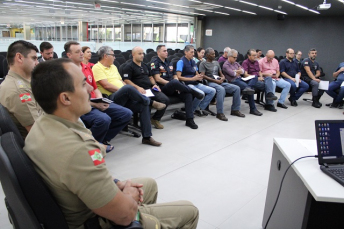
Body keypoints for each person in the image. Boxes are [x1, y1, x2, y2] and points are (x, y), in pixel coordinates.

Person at [25, 58, 199, 229]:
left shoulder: (45, 123)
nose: (90, 89)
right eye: (83, 84)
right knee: (189, 211)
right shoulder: (78, 150)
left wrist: (117, 184)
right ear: (65, 98)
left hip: (78, 202)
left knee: (149, 184)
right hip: (94, 221)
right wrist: (129, 198)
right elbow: (124, 216)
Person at [65, 41, 132, 151]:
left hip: (95, 101)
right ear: (69, 55)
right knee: (103, 119)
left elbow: (95, 88)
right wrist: (94, 104)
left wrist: (100, 99)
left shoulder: (87, 68)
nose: (81, 54)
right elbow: (73, 97)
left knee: (126, 113)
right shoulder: (66, 72)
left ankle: (101, 140)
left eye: (81, 51)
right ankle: (92, 147)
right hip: (82, 105)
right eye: (78, 52)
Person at [92, 46, 163, 146]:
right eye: (113, 55)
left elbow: (121, 82)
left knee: (143, 105)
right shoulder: (97, 67)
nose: (115, 58)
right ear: (105, 56)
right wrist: (125, 90)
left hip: (125, 96)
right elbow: (106, 85)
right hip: (110, 98)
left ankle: (147, 137)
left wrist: (127, 91)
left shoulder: (113, 66)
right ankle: (150, 101)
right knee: (129, 88)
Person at [0, 40, 42, 138]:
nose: (37, 63)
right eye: (34, 58)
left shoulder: (24, 82)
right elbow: (37, 131)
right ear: (19, 57)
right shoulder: (19, 91)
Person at [152, 45, 200, 129]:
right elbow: (157, 79)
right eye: (164, 51)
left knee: (187, 95)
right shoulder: (155, 62)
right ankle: (192, 91)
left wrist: (177, 84)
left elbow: (175, 75)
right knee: (175, 83)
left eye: (166, 50)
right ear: (158, 52)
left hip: (173, 87)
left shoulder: (169, 62)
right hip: (162, 88)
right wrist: (173, 84)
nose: (166, 52)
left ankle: (189, 120)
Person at [122, 46, 169, 129]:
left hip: (149, 89)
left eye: (143, 53)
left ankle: (155, 119)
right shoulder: (128, 66)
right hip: (138, 91)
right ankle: (144, 124)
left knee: (165, 100)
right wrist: (138, 88)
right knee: (146, 103)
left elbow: (150, 77)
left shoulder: (145, 65)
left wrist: (154, 84)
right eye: (139, 54)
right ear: (133, 55)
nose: (142, 55)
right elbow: (126, 80)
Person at [199, 47, 247, 121]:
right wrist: (215, 81)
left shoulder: (216, 62)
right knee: (221, 89)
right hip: (210, 83)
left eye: (214, 54)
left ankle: (235, 110)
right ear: (207, 55)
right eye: (212, 54)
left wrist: (222, 78)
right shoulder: (203, 63)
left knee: (236, 88)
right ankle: (220, 113)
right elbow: (203, 75)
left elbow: (221, 74)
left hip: (219, 81)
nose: (214, 55)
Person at [176, 45, 216, 115]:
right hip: (187, 84)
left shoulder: (193, 62)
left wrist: (199, 76)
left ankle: (199, 108)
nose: (193, 54)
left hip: (195, 83)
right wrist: (192, 78)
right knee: (201, 94)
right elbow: (179, 77)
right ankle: (191, 111)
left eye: (193, 52)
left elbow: (196, 73)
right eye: (191, 52)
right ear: (186, 52)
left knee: (212, 91)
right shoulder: (181, 62)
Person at [223, 49, 263, 116]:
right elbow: (233, 74)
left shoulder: (236, 63)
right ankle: (253, 109)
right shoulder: (226, 65)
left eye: (236, 57)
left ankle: (248, 88)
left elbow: (243, 71)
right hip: (233, 81)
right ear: (229, 57)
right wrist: (238, 71)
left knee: (255, 77)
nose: (236, 59)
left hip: (240, 79)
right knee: (251, 90)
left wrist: (237, 71)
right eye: (234, 57)